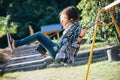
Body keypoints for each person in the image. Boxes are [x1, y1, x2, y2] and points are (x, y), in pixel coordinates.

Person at [10, 6, 87, 63]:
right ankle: (45, 52)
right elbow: (63, 43)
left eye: (64, 18)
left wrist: (81, 36)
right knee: (40, 40)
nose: (62, 20)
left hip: (64, 56)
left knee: (39, 35)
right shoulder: (69, 28)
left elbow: (75, 44)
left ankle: (16, 44)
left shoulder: (76, 27)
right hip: (59, 51)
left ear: (71, 19)